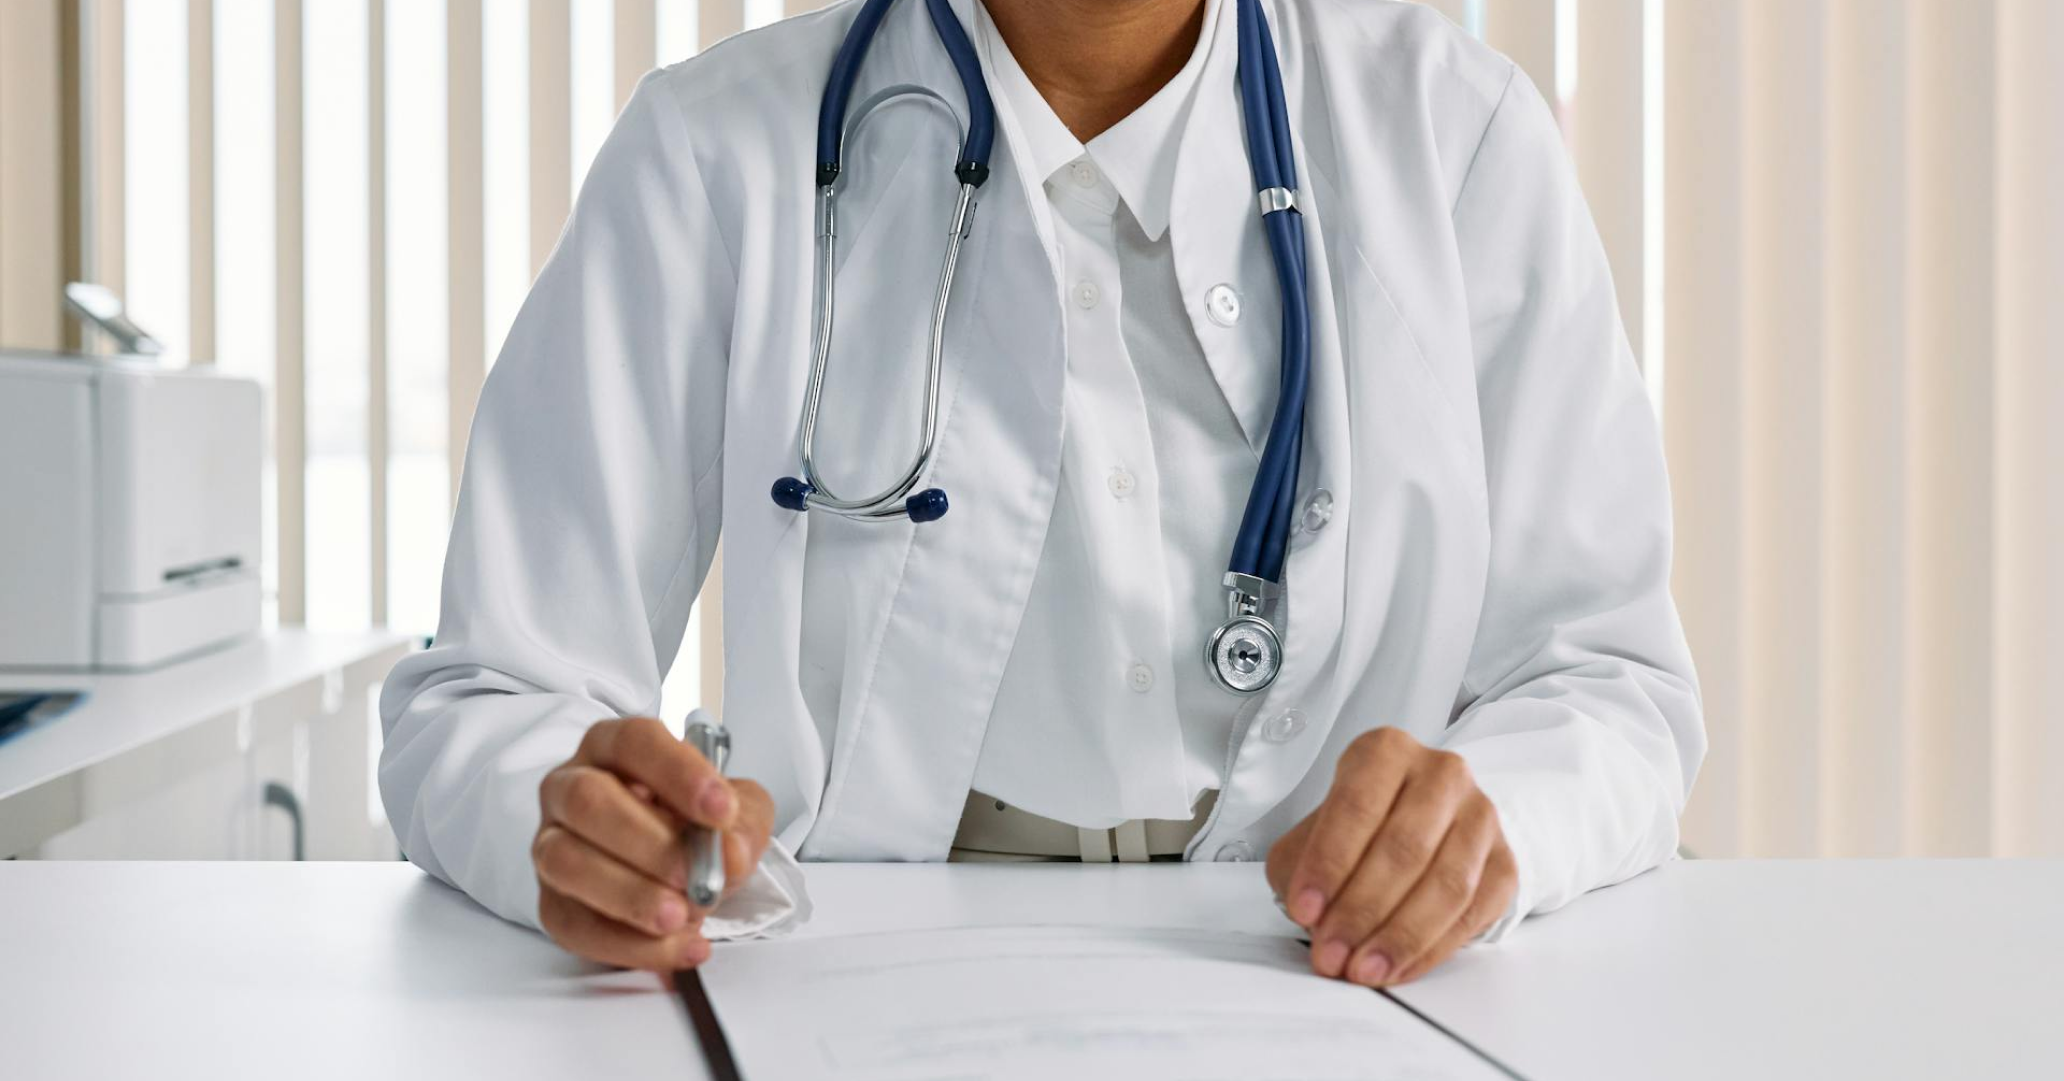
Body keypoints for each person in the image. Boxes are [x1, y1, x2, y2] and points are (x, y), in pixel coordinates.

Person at [380, 0, 1703, 989]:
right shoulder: (718, 150)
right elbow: (485, 698)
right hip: (854, 972)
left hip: (1325, 973)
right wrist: (568, 821)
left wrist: (1484, 822)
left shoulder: (1454, 136)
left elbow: (1608, 685)